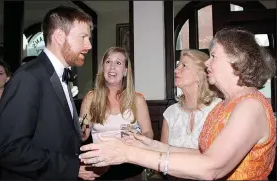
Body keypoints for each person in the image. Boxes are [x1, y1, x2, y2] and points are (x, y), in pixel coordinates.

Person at [79, 28, 276, 180]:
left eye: (214, 56)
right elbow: (203, 154)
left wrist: (129, 153)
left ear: (237, 60)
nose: (207, 63)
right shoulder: (227, 105)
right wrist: (153, 144)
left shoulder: (250, 106)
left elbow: (211, 167)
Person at [0, 6, 95, 180]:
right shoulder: (29, 77)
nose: (89, 45)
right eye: (83, 37)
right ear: (59, 37)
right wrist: (71, 168)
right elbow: (9, 148)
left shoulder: (60, 74)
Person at [79, 47, 153, 180]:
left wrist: (139, 138)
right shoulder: (91, 98)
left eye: (118, 63)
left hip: (131, 163)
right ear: (103, 69)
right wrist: (81, 129)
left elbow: (149, 133)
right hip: (100, 164)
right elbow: (84, 135)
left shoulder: (138, 99)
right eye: (108, 62)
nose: (112, 67)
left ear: (125, 71)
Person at [159, 50, 221, 180]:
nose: (176, 70)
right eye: (177, 65)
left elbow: (218, 160)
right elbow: (162, 153)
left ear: (200, 75)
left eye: (184, 65)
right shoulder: (171, 113)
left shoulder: (218, 109)